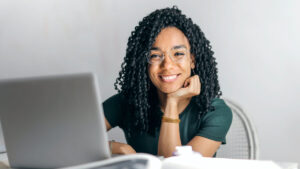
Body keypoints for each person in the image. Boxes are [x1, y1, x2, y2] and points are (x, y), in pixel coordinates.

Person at [103, 6, 232, 158]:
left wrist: (172, 101)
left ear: (192, 60)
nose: (168, 65)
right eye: (155, 56)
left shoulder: (215, 112)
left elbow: (176, 167)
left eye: (178, 54)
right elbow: (73, 139)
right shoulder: (128, 102)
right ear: (144, 63)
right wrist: (116, 147)